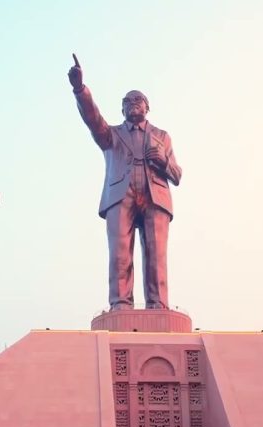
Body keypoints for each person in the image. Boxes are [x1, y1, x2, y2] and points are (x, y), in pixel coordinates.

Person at [68, 55, 182, 311]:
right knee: (120, 254)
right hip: (121, 194)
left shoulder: (162, 136)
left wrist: (163, 160)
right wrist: (80, 89)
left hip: (155, 195)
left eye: (137, 99)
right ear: (122, 110)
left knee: (156, 255)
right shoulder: (111, 135)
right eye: (126, 102)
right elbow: (93, 119)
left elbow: (177, 174)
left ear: (147, 107)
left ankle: (158, 304)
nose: (132, 104)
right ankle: (120, 303)